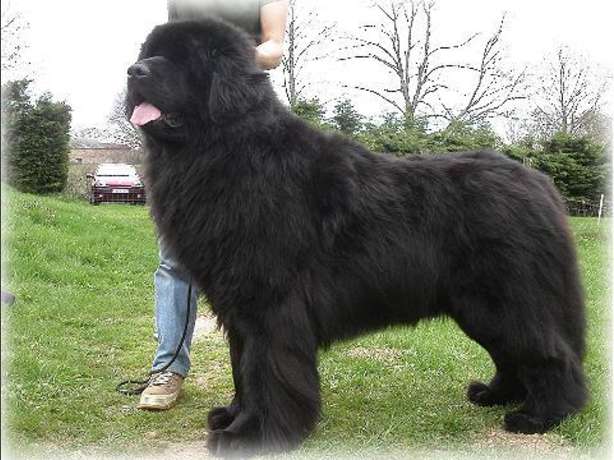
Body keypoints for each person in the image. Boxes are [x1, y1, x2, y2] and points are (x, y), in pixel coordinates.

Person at [137, 0, 288, 411]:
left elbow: (275, 46)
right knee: (174, 260)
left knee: (254, 270)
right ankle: (168, 367)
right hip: (185, 116)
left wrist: (234, 57)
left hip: (239, 115)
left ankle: (264, 382)